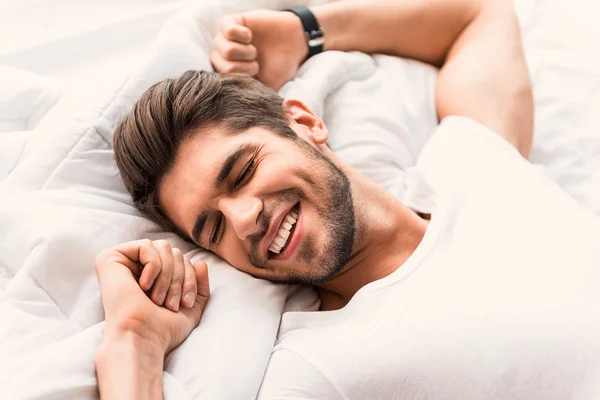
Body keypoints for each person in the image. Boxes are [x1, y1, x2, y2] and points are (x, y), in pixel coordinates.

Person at [95, 0, 600, 398]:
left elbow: (478, 15)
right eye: (213, 230)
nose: (244, 219)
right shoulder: (319, 367)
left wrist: (303, 31)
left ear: (305, 122)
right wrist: (136, 342)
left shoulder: (470, 161)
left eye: (244, 170)